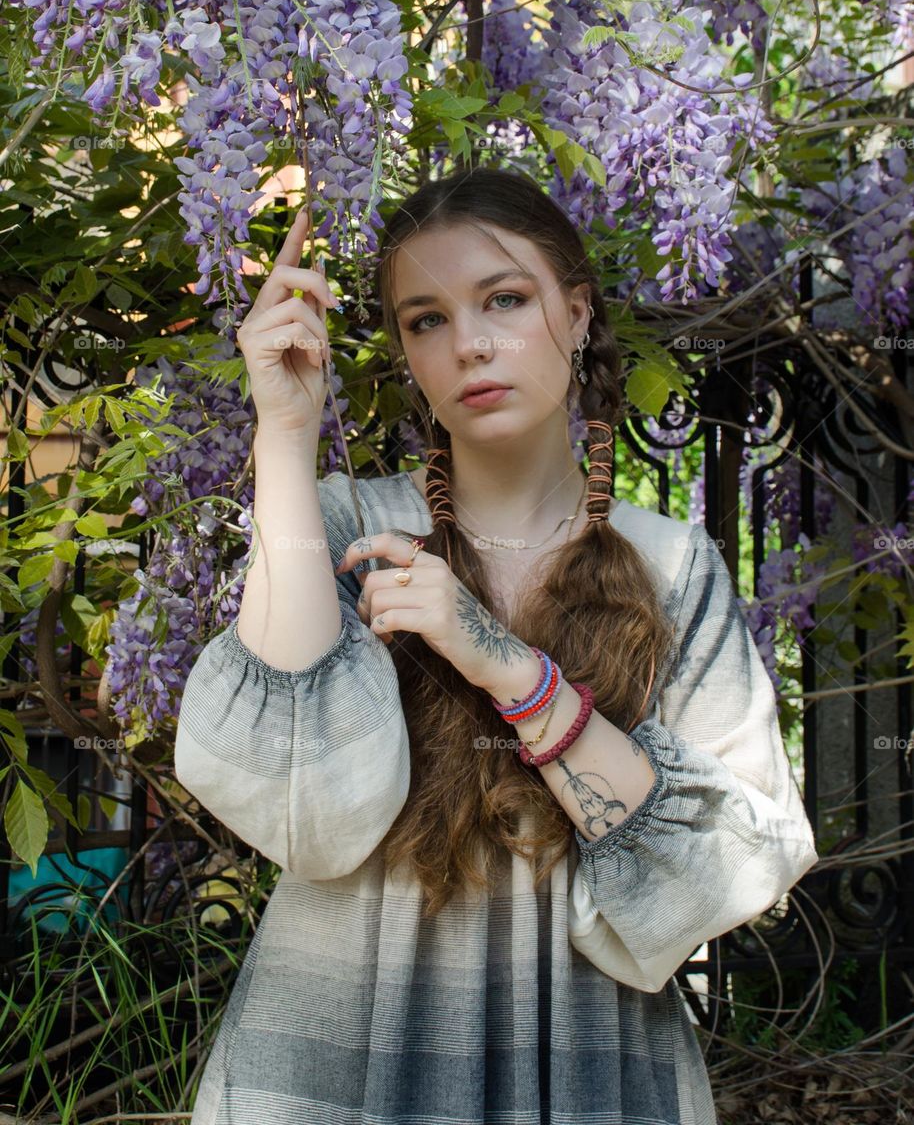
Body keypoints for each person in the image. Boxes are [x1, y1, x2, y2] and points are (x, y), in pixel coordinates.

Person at [174, 166, 819, 1125]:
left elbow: (725, 871)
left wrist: (504, 665)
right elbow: (294, 795)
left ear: (579, 312)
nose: (470, 345)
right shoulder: (349, 524)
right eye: (425, 319)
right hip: (339, 1053)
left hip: (588, 1060)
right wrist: (284, 432)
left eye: (505, 300)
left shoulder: (673, 563)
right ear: (405, 353)